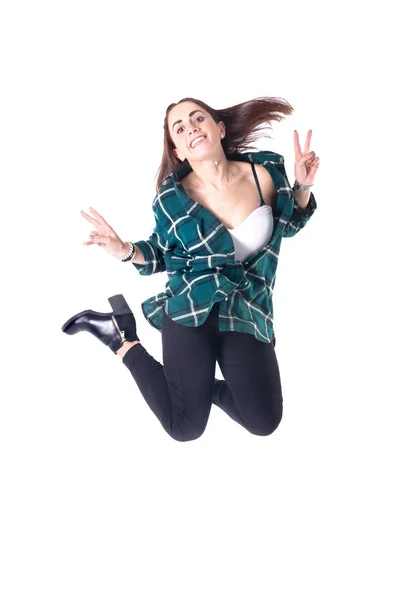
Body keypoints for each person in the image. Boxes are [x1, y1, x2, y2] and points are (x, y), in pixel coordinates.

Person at [61, 96, 319, 442]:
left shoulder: (265, 174)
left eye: (198, 119)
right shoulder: (172, 199)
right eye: (179, 128)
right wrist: (124, 250)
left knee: (264, 421)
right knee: (184, 427)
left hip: (246, 310)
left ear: (219, 128)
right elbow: (162, 254)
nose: (191, 129)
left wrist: (302, 186)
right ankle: (121, 338)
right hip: (190, 309)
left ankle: (200, 388)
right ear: (178, 150)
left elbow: (289, 223)